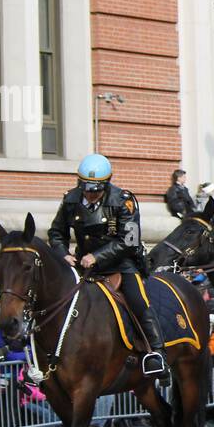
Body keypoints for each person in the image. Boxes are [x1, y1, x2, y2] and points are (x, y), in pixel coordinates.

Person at [48, 153, 169, 379]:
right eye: (86, 188)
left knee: (138, 301)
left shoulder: (123, 200)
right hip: (84, 266)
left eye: (95, 190)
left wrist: (97, 256)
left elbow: (130, 240)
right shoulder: (71, 200)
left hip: (121, 263)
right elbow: (56, 233)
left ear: (107, 184)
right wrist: (62, 254)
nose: (90, 194)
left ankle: (157, 353)